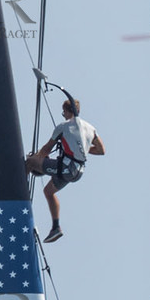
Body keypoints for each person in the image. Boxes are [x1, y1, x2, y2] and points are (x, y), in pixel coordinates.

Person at [26, 93, 105, 242]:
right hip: (77, 172)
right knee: (48, 191)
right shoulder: (91, 128)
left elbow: (46, 150)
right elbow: (101, 150)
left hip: (67, 169)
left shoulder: (63, 127)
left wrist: (35, 158)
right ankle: (56, 228)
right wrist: (83, 148)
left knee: (30, 162)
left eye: (64, 112)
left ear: (68, 111)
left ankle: (17, 188)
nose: (64, 115)